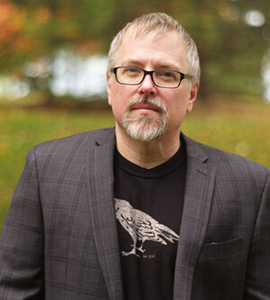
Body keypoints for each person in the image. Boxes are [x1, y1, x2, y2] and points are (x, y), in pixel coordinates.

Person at [0, 12, 270, 300]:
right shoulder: (47, 170)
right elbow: (14, 292)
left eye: (167, 73)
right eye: (132, 70)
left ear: (191, 94)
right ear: (109, 85)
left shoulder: (250, 186)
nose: (146, 86)